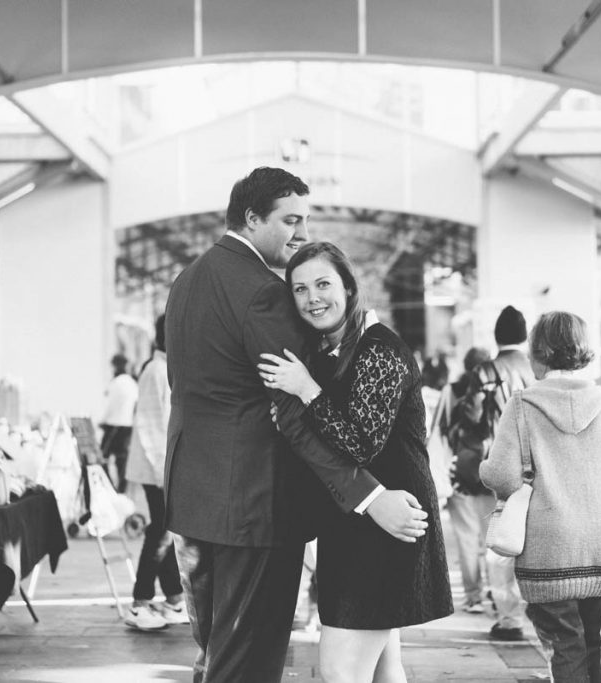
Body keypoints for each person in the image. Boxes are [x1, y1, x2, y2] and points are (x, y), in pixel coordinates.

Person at [163, 167, 427, 683]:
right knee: (247, 663)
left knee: (215, 654)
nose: (302, 233)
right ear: (251, 218)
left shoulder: (186, 281)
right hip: (253, 507)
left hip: (193, 500)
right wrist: (370, 496)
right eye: (291, 220)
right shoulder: (263, 292)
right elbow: (292, 416)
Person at [259, 241, 453, 682]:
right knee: (385, 668)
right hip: (357, 525)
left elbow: (360, 443)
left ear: (348, 287)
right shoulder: (331, 351)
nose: (312, 298)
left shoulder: (379, 350)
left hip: (388, 522)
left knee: (340, 671)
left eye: (323, 284)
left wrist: (305, 390)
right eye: (300, 289)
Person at [479, 311, 601, 682]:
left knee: (565, 645)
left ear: (538, 355)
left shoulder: (522, 407)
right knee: (592, 642)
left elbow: (501, 476)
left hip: (549, 550)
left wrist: (486, 468)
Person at [446, 305, 533, 639]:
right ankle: (533, 611)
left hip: (498, 464)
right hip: (534, 467)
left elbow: (471, 416)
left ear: (497, 336)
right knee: (531, 541)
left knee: (500, 541)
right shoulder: (535, 367)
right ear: (525, 336)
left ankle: (510, 618)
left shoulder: (486, 370)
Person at [123, 314, 187, 632]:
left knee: (164, 532)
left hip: (161, 468)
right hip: (158, 470)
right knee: (160, 533)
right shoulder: (156, 371)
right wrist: (167, 473)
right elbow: (151, 425)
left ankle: (174, 599)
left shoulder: (165, 369)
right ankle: (140, 603)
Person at [99, 353, 138, 493]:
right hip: (128, 425)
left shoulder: (115, 383)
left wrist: (102, 421)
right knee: (122, 460)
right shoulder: (132, 383)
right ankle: (122, 490)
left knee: (102, 457)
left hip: (113, 424)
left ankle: (108, 487)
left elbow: (109, 406)